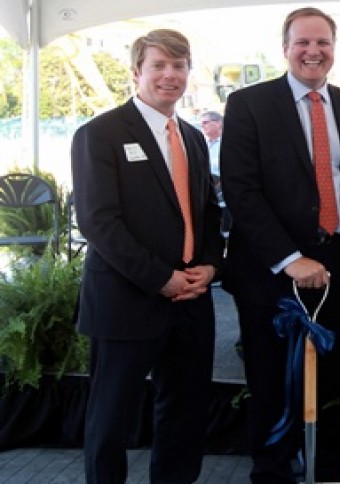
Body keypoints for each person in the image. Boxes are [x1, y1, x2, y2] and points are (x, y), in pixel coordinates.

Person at [219, 7, 340, 483]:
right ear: (285, 48)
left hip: (337, 263)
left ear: (334, 49)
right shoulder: (249, 104)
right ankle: (271, 473)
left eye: (322, 42)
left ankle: (324, 470)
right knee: (270, 378)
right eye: (302, 42)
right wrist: (290, 259)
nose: (313, 51)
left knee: (328, 375)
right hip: (270, 268)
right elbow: (240, 191)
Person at [71, 29, 223, 483]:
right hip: (126, 298)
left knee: (184, 415)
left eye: (179, 66)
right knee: (111, 421)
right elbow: (98, 222)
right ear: (137, 72)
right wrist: (161, 278)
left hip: (192, 299)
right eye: (159, 66)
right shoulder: (100, 134)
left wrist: (212, 265)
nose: (170, 75)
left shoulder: (194, 138)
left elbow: (209, 214)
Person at [200, 110, 231, 234]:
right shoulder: (202, 143)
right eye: (201, 123)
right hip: (208, 195)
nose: (203, 126)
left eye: (206, 122)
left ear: (218, 123)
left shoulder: (228, 144)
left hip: (226, 196)